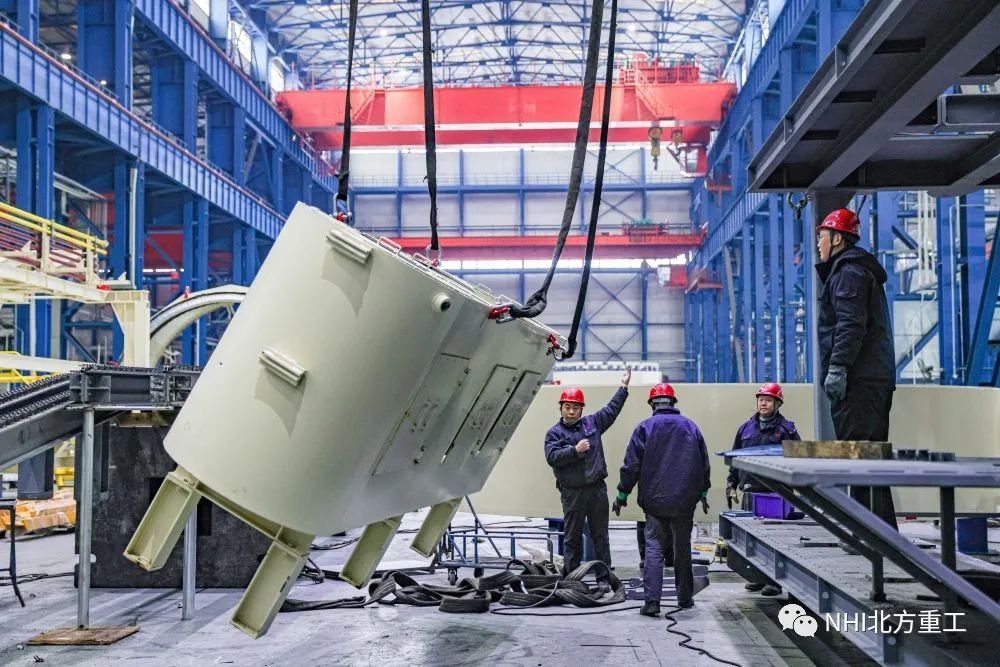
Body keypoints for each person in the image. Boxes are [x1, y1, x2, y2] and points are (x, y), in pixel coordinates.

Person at [816, 209, 898, 530]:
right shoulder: (857, 270)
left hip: (858, 383)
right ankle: (879, 533)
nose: (818, 244)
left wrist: (838, 367)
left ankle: (870, 534)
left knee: (861, 460)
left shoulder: (849, 273)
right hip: (870, 380)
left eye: (822, 237)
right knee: (870, 461)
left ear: (837, 238)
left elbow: (850, 325)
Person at [612, 384, 710, 616]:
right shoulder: (690, 426)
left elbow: (631, 466)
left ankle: (652, 603)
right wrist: (703, 493)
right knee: (682, 547)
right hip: (684, 501)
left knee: (654, 548)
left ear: (652, 404)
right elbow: (703, 464)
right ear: (673, 402)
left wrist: (622, 494)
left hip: (655, 500)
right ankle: (685, 598)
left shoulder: (645, 427)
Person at [544, 370, 631, 579]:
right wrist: (575, 450)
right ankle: (572, 580)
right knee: (572, 537)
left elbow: (611, 410)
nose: (571, 411)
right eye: (567, 407)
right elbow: (552, 457)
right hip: (572, 493)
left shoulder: (592, 423)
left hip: (596, 489)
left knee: (600, 536)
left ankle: (604, 578)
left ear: (581, 409)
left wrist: (623, 387)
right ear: (561, 408)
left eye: (575, 407)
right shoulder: (554, 433)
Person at [726, 382, 800, 596]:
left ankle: (774, 582)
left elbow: (797, 459)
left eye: (768, 400)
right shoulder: (745, 429)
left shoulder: (786, 429)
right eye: (761, 399)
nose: (763, 403)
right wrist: (731, 483)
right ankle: (757, 577)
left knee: (775, 539)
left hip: (775, 494)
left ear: (777, 404)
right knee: (751, 538)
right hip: (750, 491)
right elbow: (735, 458)